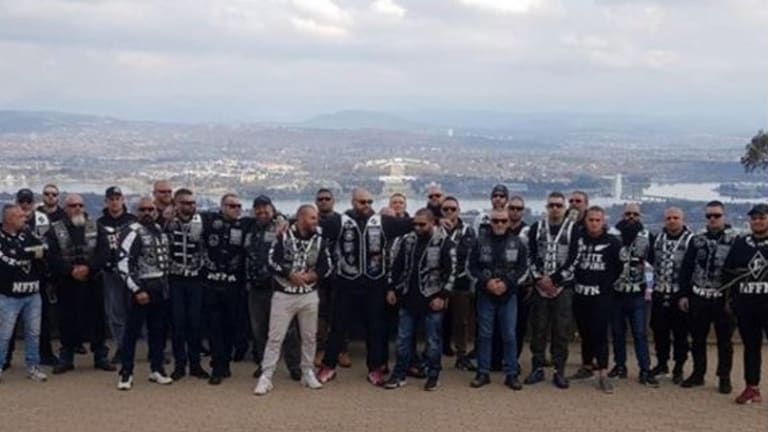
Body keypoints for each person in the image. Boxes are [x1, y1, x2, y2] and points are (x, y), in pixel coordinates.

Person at [316, 188, 412, 386]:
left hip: (374, 285)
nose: (367, 206)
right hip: (345, 284)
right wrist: (285, 223)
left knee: (375, 328)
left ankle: (375, 369)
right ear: (352, 202)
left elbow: (409, 224)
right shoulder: (340, 222)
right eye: (362, 202)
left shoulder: (381, 222)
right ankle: (328, 366)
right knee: (337, 328)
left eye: (369, 201)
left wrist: (436, 220)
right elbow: (312, 224)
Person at [254, 205, 332, 395]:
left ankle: (307, 372)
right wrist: (290, 274)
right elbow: (271, 261)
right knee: (275, 338)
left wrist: (312, 276)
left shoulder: (320, 239)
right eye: (312, 218)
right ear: (302, 218)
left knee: (309, 337)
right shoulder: (283, 235)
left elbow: (328, 266)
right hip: (284, 294)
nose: (316, 221)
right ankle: (266, 376)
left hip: (308, 294)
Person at [383, 208, 455, 391]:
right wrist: (392, 288)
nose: (417, 227)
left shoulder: (444, 242)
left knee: (432, 341)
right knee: (403, 339)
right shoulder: (408, 241)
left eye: (422, 224)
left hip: (432, 299)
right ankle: (399, 373)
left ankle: (433, 375)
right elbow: (396, 266)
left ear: (432, 223)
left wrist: (442, 296)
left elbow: (451, 272)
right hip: (408, 297)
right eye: (415, 224)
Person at [47, 194, 115, 374]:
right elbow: (51, 255)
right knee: (67, 320)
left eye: (80, 205)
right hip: (67, 282)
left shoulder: (96, 227)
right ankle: (66, 357)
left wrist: (89, 268)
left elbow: (104, 251)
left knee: (97, 320)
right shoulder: (55, 230)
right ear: (65, 207)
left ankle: (100, 356)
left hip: (92, 281)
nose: (77, 208)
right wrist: (70, 270)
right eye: (72, 205)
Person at [678, 200, 736, 394]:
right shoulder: (697, 240)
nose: (712, 219)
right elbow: (686, 269)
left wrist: (734, 299)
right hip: (699, 297)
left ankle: (724, 377)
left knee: (724, 341)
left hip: (722, 298)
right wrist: (684, 294)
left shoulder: (735, 240)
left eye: (716, 215)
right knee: (697, 339)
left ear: (724, 216)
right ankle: (698, 373)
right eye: (709, 216)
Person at [116, 197, 173, 390]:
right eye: (143, 209)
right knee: (131, 333)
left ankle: (156, 368)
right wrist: (136, 289)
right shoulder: (131, 232)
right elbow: (123, 264)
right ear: (136, 211)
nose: (147, 212)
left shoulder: (159, 231)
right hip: (140, 288)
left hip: (160, 288)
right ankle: (126, 372)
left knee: (158, 332)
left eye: (151, 209)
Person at [469, 209, 528, 390]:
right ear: (490, 222)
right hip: (486, 295)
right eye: (496, 221)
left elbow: (524, 269)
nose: (500, 224)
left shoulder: (518, 243)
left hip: (508, 295)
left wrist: (507, 284)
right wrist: (486, 283)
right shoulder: (479, 242)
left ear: (509, 222)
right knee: (485, 335)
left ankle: (511, 373)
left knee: (509, 335)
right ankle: (483, 372)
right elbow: (471, 268)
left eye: (503, 221)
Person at [526, 192, 578, 389]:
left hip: (562, 288)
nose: (555, 209)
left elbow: (575, 258)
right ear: (546, 207)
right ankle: (537, 367)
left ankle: (559, 370)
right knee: (538, 329)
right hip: (540, 287)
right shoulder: (536, 228)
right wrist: (539, 278)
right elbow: (530, 255)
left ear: (564, 208)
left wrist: (555, 279)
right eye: (551, 205)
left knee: (561, 330)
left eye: (558, 205)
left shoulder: (573, 229)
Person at [245, 195, 301, 380]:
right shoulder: (249, 226)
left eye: (265, 210)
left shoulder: (283, 227)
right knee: (259, 330)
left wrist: (283, 219)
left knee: (289, 330)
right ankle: (264, 365)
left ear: (273, 209)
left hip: (278, 287)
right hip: (256, 287)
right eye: (258, 210)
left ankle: (295, 366)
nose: (262, 213)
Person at [571, 206, 622, 393]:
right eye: (590, 220)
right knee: (584, 333)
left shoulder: (613, 243)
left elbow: (619, 269)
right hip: (580, 294)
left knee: (600, 334)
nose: (593, 223)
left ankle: (603, 373)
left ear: (603, 221)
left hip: (601, 297)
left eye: (597, 220)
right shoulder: (577, 240)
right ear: (585, 221)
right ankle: (586, 366)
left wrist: (606, 286)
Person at [607, 203, 659, 387]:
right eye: (628, 213)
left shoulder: (647, 236)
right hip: (616, 293)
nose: (631, 217)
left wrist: (651, 287)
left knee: (640, 333)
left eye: (634, 214)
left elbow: (654, 263)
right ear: (623, 215)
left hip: (637, 293)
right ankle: (620, 365)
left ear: (640, 216)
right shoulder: (612, 236)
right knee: (617, 332)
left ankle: (645, 369)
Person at [201, 193, 247, 385]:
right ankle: (218, 366)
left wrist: (279, 220)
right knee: (214, 327)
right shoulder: (208, 220)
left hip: (234, 286)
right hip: (212, 284)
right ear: (221, 206)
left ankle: (225, 363)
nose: (235, 209)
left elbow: (273, 217)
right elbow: (184, 214)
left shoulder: (245, 224)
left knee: (230, 327)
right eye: (231, 205)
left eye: (238, 206)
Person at [0, 204, 49, 383]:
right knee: (4, 335)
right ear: (10, 219)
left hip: (33, 293)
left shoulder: (28, 233)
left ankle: (33, 367)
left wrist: (25, 253)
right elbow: (7, 262)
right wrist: (29, 254)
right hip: (8, 296)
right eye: (21, 217)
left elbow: (44, 249)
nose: (25, 219)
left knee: (33, 333)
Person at [725, 204, 768, 404]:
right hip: (747, 307)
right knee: (751, 347)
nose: (758, 221)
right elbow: (729, 272)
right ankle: (752, 388)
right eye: (754, 218)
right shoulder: (740, 243)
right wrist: (732, 301)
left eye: (762, 217)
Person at [165, 188, 210, 381]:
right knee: (177, 324)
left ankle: (196, 364)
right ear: (176, 204)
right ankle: (180, 365)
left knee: (195, 324)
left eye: (192, 203)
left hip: (196, 281)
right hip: (174, 280)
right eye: (185, 203)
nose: (190, 206)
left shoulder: (203, 221)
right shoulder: (166, 223)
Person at [649, 207, 692, 384]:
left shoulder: (691, 240)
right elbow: (650, 260)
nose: (672, 221)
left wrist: (686, 294)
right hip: (659, 292)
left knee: (680, 333)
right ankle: (662, 363)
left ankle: (679, 367)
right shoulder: (657, 238)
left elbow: (691, 269)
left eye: (676, 218)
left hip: (679, 295)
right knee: (659, 331)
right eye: (669, 218)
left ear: (682, 219)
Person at [97, 186, 137, 364]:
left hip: (132, 273)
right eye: (111, 199)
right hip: (110, 273)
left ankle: (151, 348)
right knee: (115, 313)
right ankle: (123, 348)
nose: (114, 202)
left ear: (123, 200)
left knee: (139, 312)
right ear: (106, 201)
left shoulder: (133, 221)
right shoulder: (98, 223)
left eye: (117, 198)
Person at [313, 188, 350, 368]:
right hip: (318, 275)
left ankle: (342, 350)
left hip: (340, 274)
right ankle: (321, 349)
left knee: (340, 313)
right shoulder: (312, 221)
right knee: (320, 314)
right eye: (320, 199)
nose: (324, 202)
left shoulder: (342, 221)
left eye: (327, 199)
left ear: (333, 201)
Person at [440, 196, 476, 371]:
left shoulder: (468, 230)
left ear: (458, 211)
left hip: (461, 282)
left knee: (461, 321)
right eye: (446, 209)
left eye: (452, 209)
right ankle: (434, 354)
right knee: (435, 320)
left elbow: (469, 254)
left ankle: (461, 355)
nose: (449, 212)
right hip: (438, 283)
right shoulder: (435, 229)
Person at [508, 196, 531, 363]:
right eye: (512, 208)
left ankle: (513, 358)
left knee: (519, 325)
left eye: (518, 209)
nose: (515, 211)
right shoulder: (498, 227)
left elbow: (531, 258)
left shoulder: (529, 232)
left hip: (521, 284)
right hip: (499, 283)